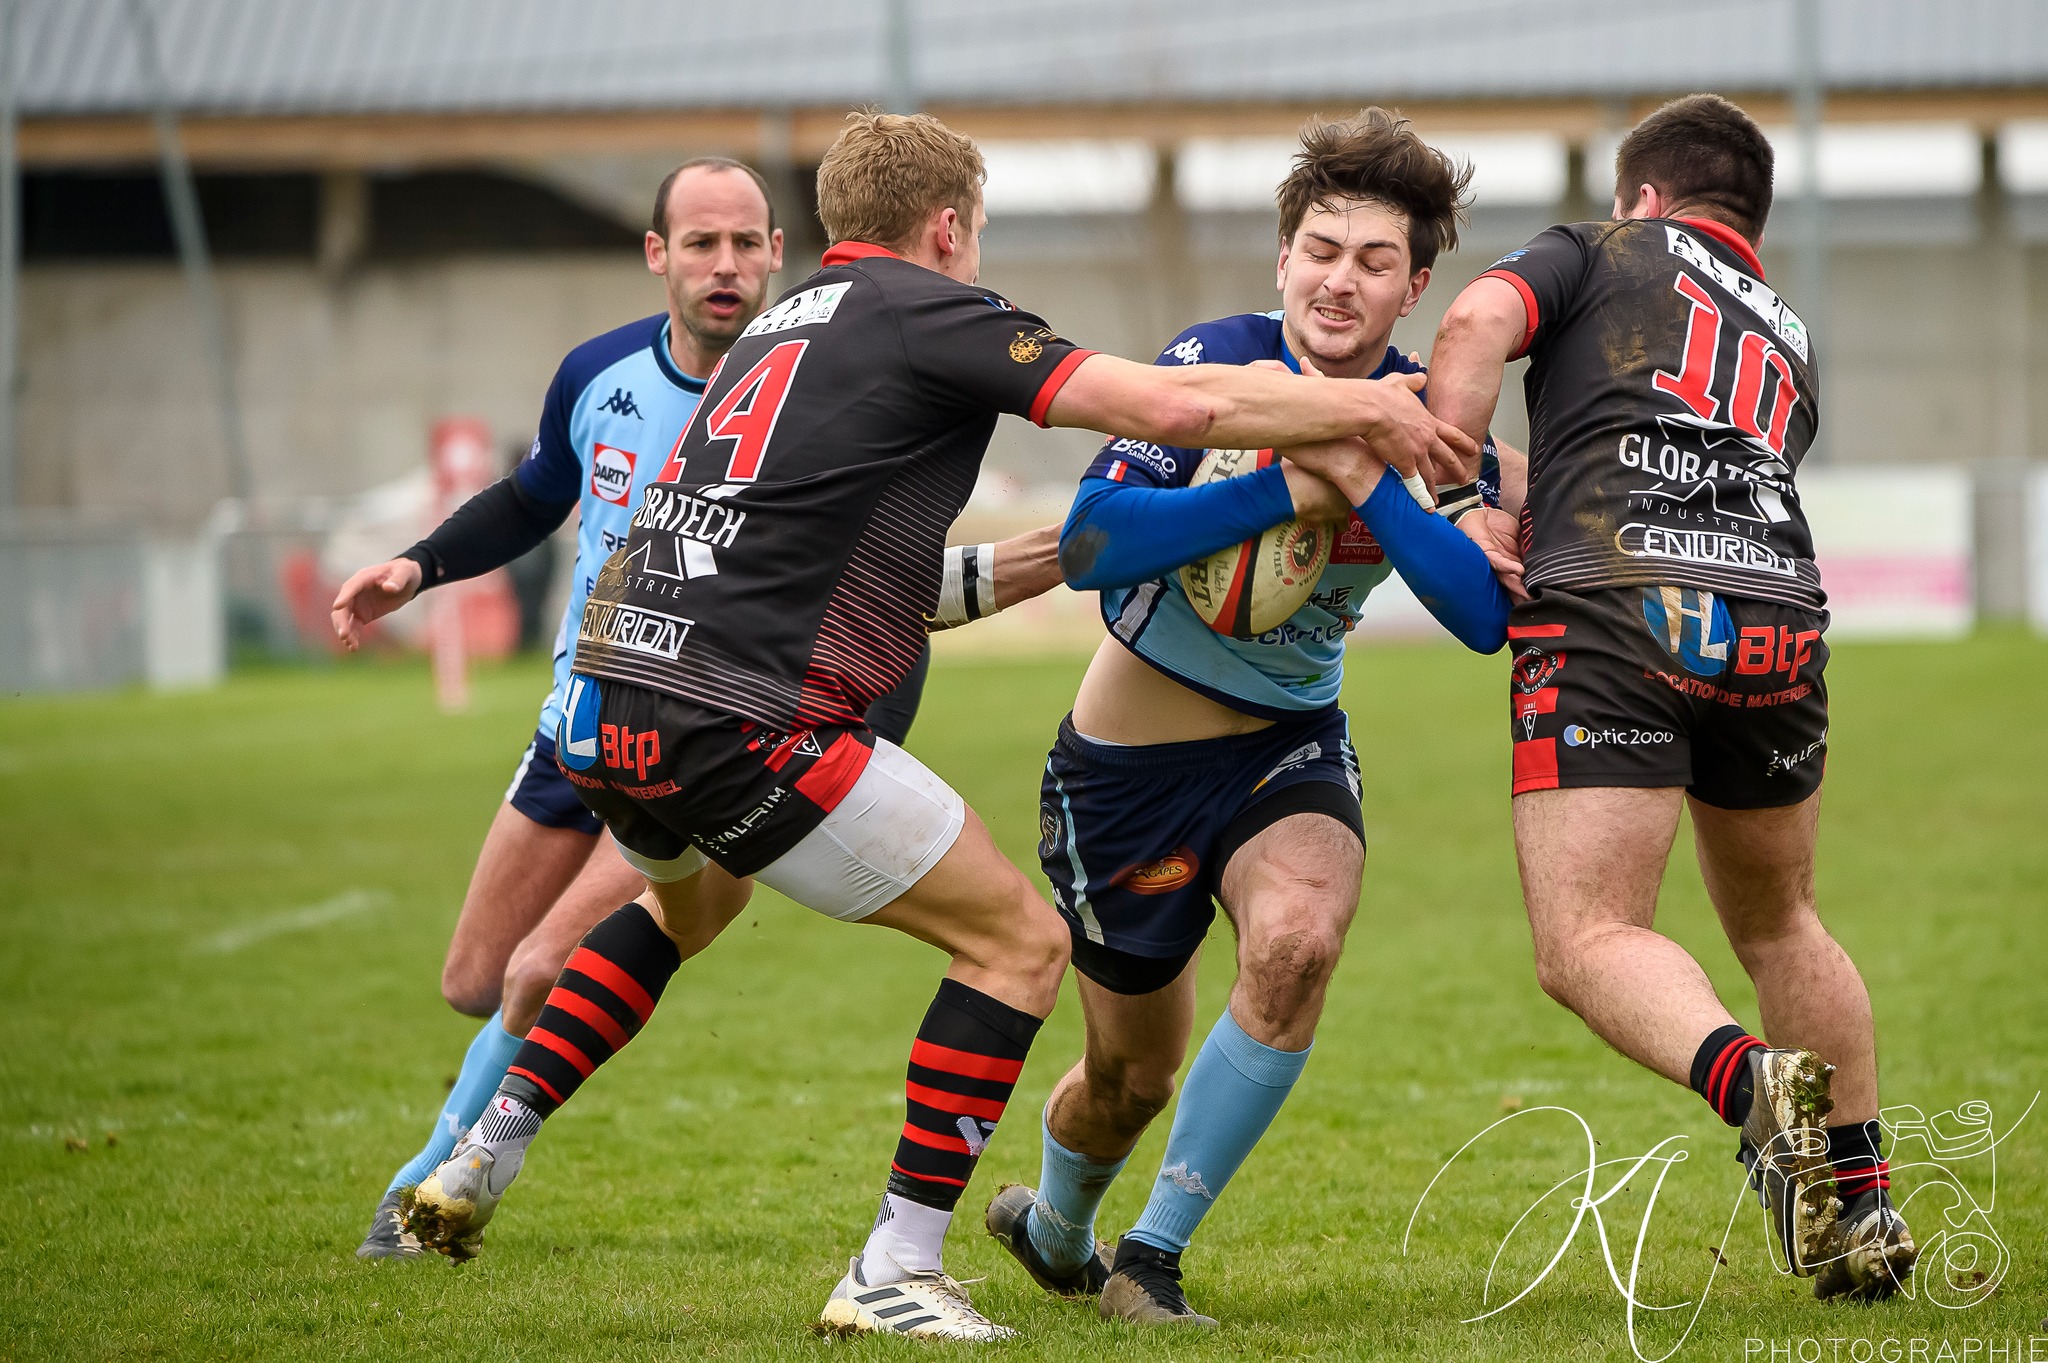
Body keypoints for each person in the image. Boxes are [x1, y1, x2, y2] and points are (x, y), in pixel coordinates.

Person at [397, 109, 1479, 1342]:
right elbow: (1163, 415)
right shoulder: (931, 308)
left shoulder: (775, 331)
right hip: (747, 717)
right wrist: (1350, 440)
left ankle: (485, 1146)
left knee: (688, 906)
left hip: (611, 698)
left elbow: (842, 559)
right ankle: (895, 1265)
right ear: (949, 228)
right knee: (1016, 945)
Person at [331, 158, 1054, 1259]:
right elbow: (535, 496)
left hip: (724, 718)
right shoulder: (600, 374)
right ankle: (469, 1154)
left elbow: (882, 570)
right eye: (700, 244)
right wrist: (419, 567)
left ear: (779, 251)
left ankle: (431, 1188)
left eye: (745, 244)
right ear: (655, 254)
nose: (725, 266)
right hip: (579, 713)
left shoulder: (828, 376)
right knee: (478, 976)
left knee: (544, 965)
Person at [981, 109, 1519, 1327]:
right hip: (1123, 770)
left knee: (1296, 946)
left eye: (1373, 260)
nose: (1341, 278)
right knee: (1127, 1076)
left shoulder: (1426, 411)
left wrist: (1367, 468)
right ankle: (1059, 1225)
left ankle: (1147, 1258)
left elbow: (1480, 616)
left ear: (1413, 285)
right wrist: (1295, 471)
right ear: (1282, 258)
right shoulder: (1205, 366)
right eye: (1320, 248)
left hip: (1290, 749)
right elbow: (1091, 544)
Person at [1423, 93, 1916, 1302]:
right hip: (1774, 618)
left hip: (1615, 599)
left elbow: (1480, 314)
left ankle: (1752, 1085)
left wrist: (1447, 490)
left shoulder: (1599, 249)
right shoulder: (1787, 328)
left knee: (1587, 934)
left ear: (1641, 197)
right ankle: (1861, 1206)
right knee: (1780, 919)